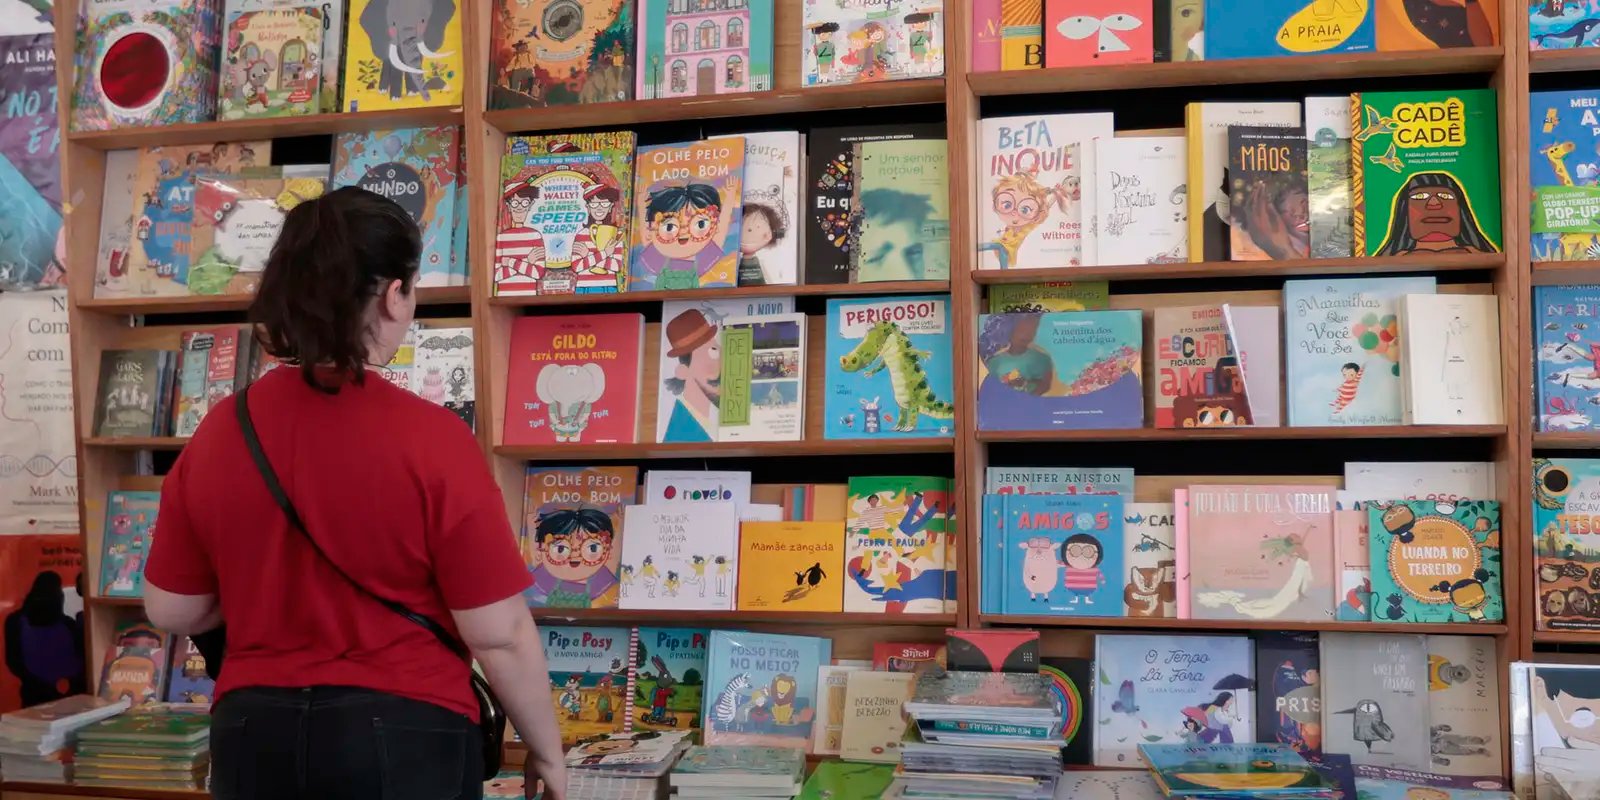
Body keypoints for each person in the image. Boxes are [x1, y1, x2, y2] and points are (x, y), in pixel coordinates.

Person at [142, 187, 567, 800]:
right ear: (394, 294)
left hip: (253, 734)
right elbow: (498, 631)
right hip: (405, 734)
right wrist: (546, 750)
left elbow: (171, 611)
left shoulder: (221, 430)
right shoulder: (433, 438)